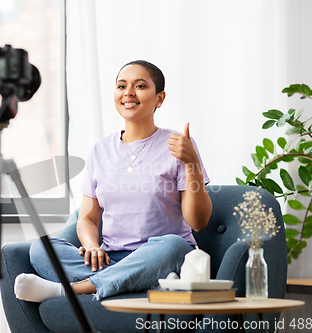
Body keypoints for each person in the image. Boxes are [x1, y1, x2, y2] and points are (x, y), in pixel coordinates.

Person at [14, 60, 212, 303]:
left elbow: (198, 222)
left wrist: (192, 164)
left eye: (140, 86)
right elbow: (87, 218)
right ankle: (136, 281)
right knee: (41, 248)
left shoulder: (178, 144)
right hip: (111, 258)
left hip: (159, 254)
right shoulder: (101, 150)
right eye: (121, 86)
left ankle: (71, 290)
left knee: (173, 247)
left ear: (159, 99)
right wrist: (91, 246)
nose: (128, 92)